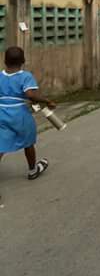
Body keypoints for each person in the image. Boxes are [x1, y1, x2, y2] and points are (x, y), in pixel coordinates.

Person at [0, 46, 55, 186]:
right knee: (28, 142)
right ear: (23, 60)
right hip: (20, 115)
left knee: (1, 144)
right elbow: (30, 95)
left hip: (2, 113)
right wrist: (47, 101)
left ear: (5, 61)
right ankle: (32, 170)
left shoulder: (0, 76)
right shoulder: (25, 76)